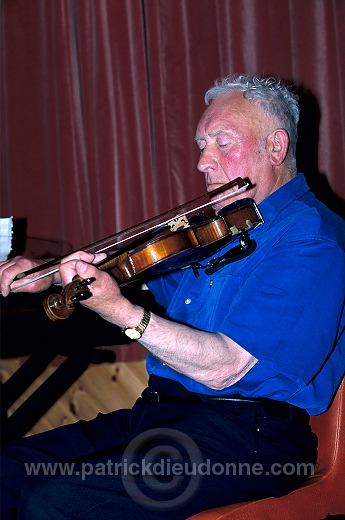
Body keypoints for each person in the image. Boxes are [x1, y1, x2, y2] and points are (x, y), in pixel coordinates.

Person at [0, 74, 344, 519]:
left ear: (275, 148)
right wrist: (50, 276)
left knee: (58, 500)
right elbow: (132, 273)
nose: (204, 161)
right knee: (7, 473)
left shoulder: (311, 238)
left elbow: (227, 368)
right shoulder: (223, 228)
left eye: (222, 142)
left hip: (249, 440)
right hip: (159, 418)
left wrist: (123, 313)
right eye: (202, 144)